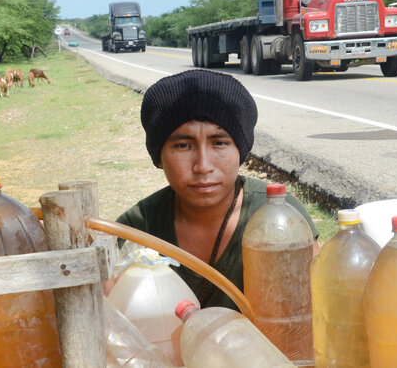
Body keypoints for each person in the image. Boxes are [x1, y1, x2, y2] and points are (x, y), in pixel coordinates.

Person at [116, 69, 319, 311]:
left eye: (220, 143)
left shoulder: (279, 217)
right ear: (159, 157)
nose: (203, 166)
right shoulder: (137, 230)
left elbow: (315, 313)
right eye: (183, 146)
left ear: (240, 152)